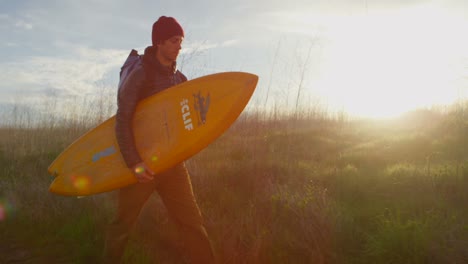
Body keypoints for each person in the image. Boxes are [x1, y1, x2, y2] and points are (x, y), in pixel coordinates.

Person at [103, 16, 215, 264]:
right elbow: (122, 122)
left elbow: (188, 125)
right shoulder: (140, 76)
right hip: (142, 166)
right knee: (123, 224)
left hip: (173, 166)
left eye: (181, 41)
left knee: (192, 223)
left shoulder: (180, 79)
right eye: (175, 41)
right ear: (160, 42)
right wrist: (134, 163)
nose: (179, 47)